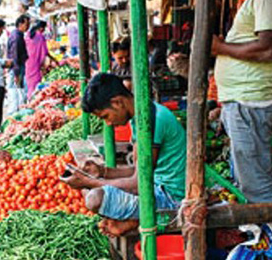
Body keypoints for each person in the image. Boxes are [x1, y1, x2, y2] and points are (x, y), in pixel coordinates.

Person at [63, 73, 186, 237]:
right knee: (88, 190)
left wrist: (91, 181)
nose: (107, 123)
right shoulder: (142, 116)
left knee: (94, 198)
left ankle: (133, 220)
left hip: (171, 197)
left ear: (117, 102)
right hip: (156, 186)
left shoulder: (153, 120)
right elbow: (137, 170)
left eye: (105, 116)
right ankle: (129, 220)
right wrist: (101, 172)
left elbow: (138, 182)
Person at [212, 0, 272, 205]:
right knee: (249, 181)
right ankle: (260, 236)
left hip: (251, 101)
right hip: (244, 101)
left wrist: (220, 47)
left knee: (256, 185)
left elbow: (268, 49)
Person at [25, 20, 56, 98]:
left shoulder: (28, 35)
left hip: (28, 62)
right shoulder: (40, 36)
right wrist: (54, 60)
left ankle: (30, 98)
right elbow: (45, 52)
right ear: (41, 28)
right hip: (35, 63)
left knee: (30, 83)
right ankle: (33, 99)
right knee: (35, 84)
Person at [7, 14, 30, 93]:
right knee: (16, 93)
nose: (28, 27)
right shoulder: (16, 37)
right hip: (17, 69)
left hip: (18, 68)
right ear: (20, 24)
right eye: (26, 24)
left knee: (18, 91)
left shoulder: (18, 35)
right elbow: (15, 56)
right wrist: (16, 74)